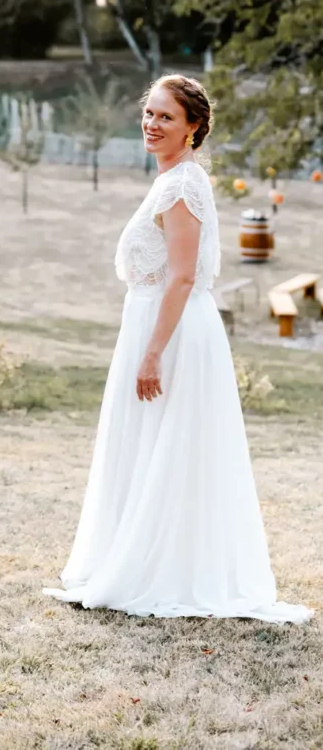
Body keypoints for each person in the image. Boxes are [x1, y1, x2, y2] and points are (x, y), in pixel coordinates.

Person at [45, 74, 311, 624]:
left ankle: (166, 571)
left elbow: (183, 277)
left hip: (172, 333)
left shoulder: (183, 186)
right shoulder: (170, 181)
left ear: (193, 128)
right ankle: (137, 554)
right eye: (149, 113)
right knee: (148, 443)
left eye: (166, 116)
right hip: (151, 322)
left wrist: (151, 353)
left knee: (172, 445)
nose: (152, 123)